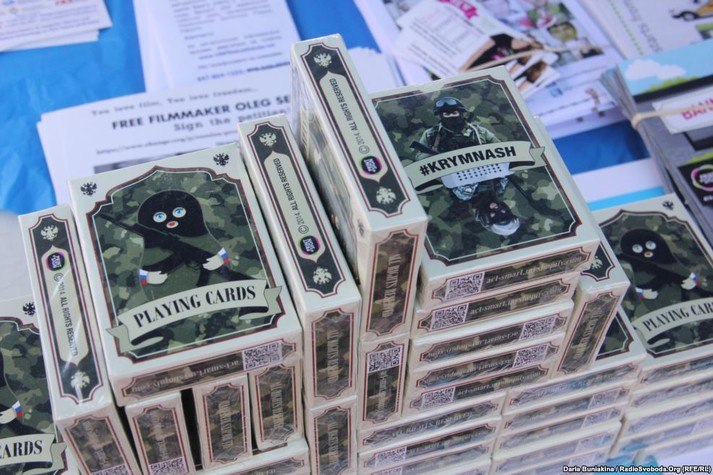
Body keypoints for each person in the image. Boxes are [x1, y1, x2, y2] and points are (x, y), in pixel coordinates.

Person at [415, 97, 521, 236]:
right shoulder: (431, 135)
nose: (498, 209)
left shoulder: (478, 132)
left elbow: (496, 147)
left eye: (454, 113)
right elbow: (420, 158)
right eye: (447, 114)